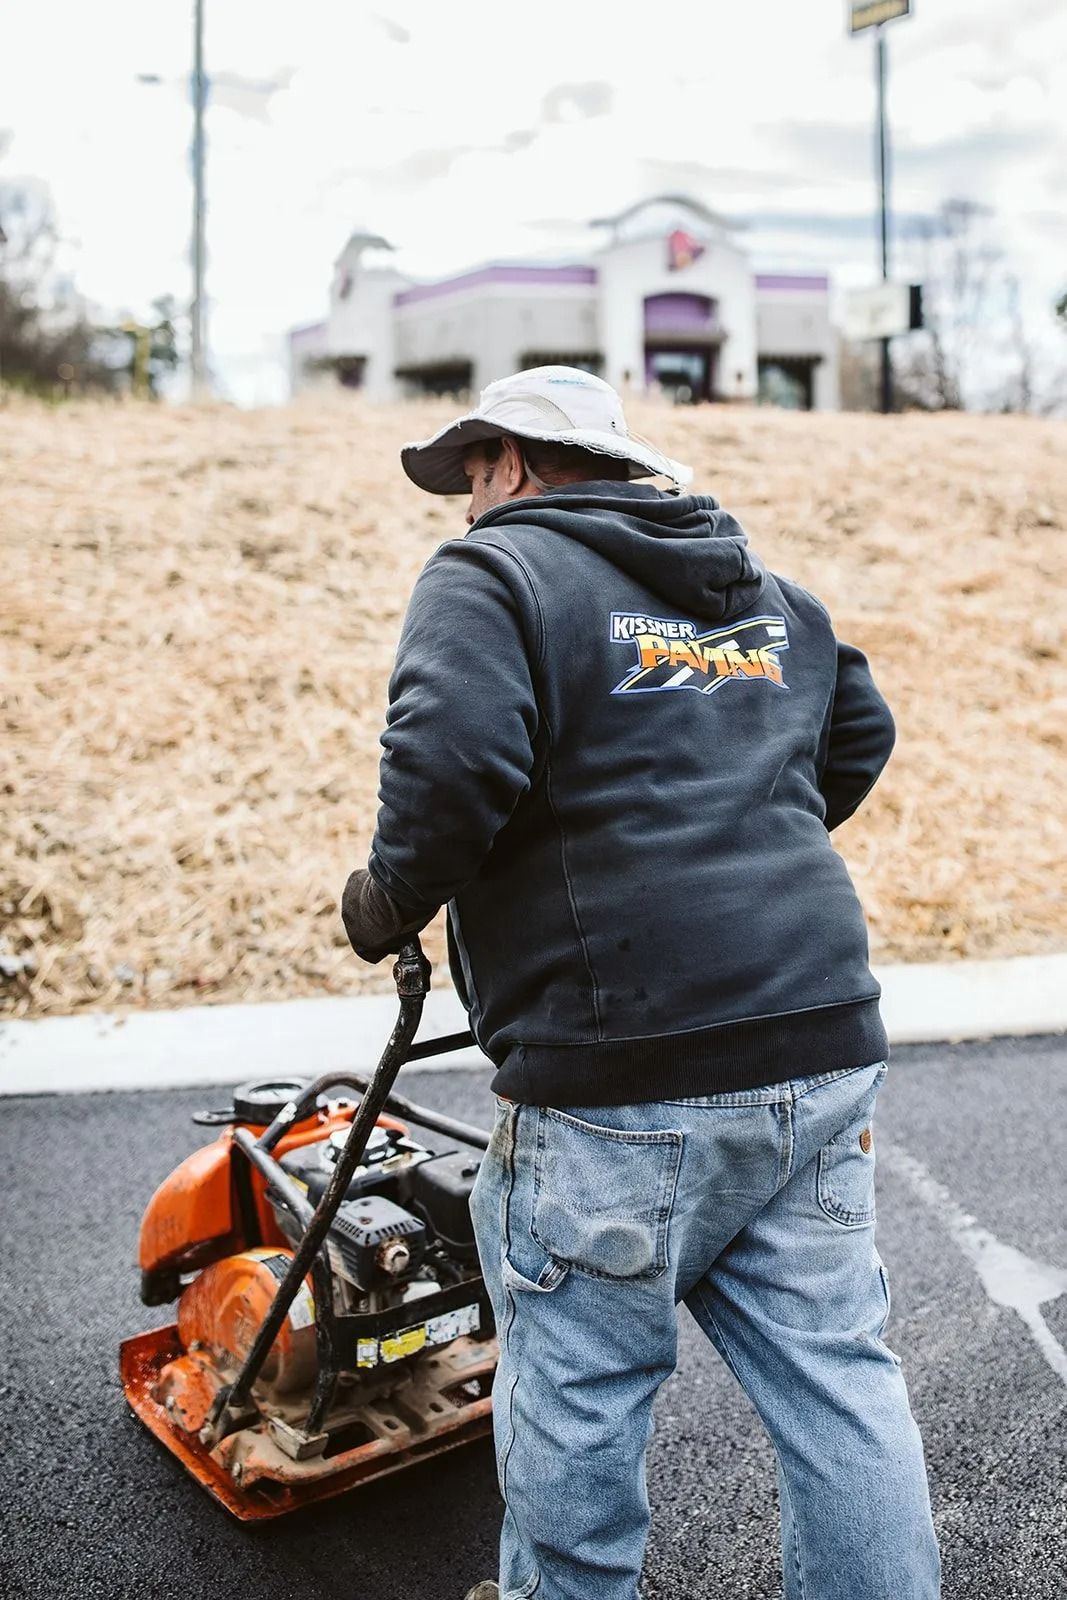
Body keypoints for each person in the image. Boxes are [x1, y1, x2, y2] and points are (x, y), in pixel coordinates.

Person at [341, 366, 940, 1600]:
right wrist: (738, 841)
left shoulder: (493, 573)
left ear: (506, 460)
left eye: (468, 477)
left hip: (620, 1069)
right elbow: (858, 732)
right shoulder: (764, 596)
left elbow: (448, 769)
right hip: (818, 1043)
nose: (464, 504)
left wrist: (381, 902)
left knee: (577, 1400)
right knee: (838, 1381)